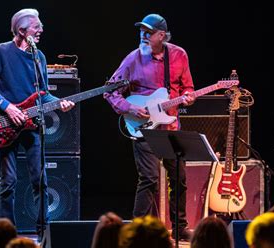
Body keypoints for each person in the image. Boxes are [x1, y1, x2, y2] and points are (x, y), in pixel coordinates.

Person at [0, 8, 75, 233]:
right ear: (22, 30)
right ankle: (6, 233)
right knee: (8, 182)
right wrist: (8, 108)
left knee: (40, 181)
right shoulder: (1, 52)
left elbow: (43, 94)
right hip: (5, 123)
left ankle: (44, 233)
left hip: (32, 125)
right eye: (36, 26)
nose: (41, 30)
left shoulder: (38, 57)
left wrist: (60, 102)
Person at [104, 13, 195, 241]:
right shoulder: (132, 59)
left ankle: (179, 227)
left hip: (171, 125)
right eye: (141, 32)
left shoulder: (178, 55)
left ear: (161, 36)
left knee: (179, 177)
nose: (143, 36)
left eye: (148, 33)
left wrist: (188, 97)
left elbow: (188, 88)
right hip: (144, 126)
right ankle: (137, 230)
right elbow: (109, 91)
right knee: (150, 178)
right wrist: (131, 108)